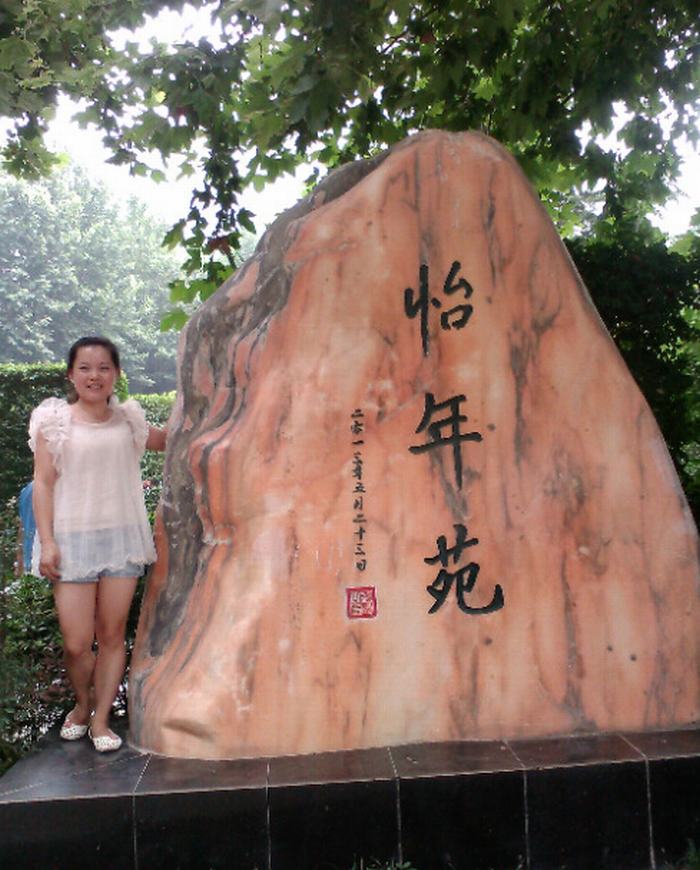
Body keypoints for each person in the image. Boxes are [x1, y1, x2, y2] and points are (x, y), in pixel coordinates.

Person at [29, 337, 167, 752]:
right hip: (71, 541)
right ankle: (83, 703)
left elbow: (168, 439)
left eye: (104, 367)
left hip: (121, 539)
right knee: (76, 643)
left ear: (116, 374)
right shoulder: (54, 422)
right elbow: (43, 484)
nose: (95, 376)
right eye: (85, 368)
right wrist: (47, 541)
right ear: (71, 375)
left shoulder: (129, 421)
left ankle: (101, 720)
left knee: (111, 635)